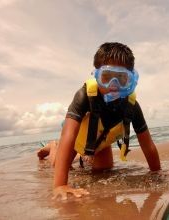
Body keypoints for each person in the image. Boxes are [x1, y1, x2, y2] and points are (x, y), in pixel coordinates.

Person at [38, 42, 161, 200]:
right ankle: (53, 147)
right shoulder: (84, 96)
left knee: (104, 171)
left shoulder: (132, 106)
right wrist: (60, 185)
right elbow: (68, 136)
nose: (113, 85)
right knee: (59, 166)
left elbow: (148, 145)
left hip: (100, 144)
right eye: (107, 77)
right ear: (96, 76)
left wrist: (157, 173)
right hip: (75, 140)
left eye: (121, 78)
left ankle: (86, 156)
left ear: (131, 80)